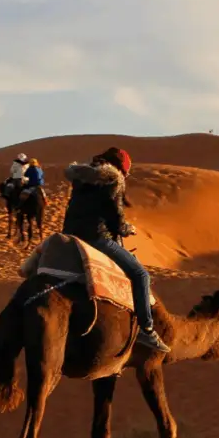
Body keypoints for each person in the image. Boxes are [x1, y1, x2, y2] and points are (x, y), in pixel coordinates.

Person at [62, 147, 169, 354]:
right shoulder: (113, 180)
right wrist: (127, 229)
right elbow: (116, 219)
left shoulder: (81, 178)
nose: (126, 176)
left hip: (70, 236)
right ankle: (146, 330)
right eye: (126, 173)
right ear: (121, 169)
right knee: (140, 274)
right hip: (96, 237)